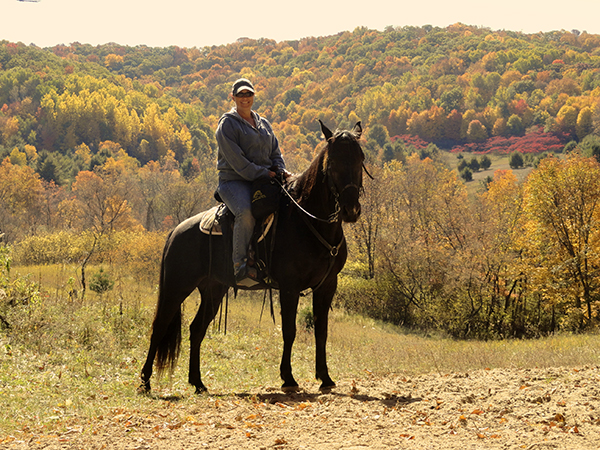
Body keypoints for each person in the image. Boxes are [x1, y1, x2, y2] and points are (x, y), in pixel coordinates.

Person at [215, 78, 289, 287]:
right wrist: (264, 173)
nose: (245, 98)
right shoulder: (227, 124)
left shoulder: (263, 123)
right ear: (233, 97)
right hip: (235, 181)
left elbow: (275, 152)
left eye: (248, 94)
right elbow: (238, 162)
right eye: (240, 95)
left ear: (254, 96)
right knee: (246, 212)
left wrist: (280, 170)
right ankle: (240, 266)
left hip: (264, 179)